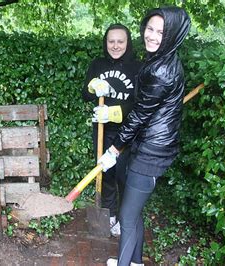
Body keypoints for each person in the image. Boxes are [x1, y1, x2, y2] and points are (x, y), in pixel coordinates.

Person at [99, 7, 191, 266]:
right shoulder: (162, 59)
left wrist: (114, 149)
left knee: (127, 217)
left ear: (172, 34)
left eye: (160, 32)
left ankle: (124, 263)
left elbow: (139, 116)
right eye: (149, 28)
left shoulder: (161, 70)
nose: (151, 36)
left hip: (152, 151)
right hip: (148, 144)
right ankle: (136, 261)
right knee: (133, 210)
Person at [82, 24, 142, 237]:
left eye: (120, 41)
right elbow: (85, 95)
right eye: (111, 41)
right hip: (102, 130)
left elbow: (140, 104)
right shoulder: (98, 64)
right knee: (105, 173)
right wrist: (92, 86)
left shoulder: (137, 67)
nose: (115, 45)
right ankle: (109, 214)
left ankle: (125, 218)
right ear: (105, 42)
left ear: (128, 43)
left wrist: (114, 112)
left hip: (128, 132)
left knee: (124, 176)